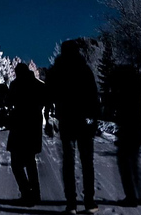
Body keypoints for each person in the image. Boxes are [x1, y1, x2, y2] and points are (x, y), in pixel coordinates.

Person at [46, 39, 101, 214]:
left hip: (67, 121)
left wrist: (50, 117)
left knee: (68, 163)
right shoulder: (85, 69)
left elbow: (49, 96)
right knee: (87, 163)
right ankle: (90, 202)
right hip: (84, 122)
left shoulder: (56, 71)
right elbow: (94, 96)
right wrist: (94, 120)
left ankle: (71, 203)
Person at [4, 62, 48, 206]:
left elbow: (8, 101)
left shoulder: (16, 85)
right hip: (33, 127)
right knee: (30, 162)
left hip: (19, 126)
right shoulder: (39, 84)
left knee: (16, 164)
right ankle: (35, 194)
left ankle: (26, 192)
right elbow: (46, 101)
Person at [105, 63, 141, 207]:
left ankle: (131, 197)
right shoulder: (137, 86)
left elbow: (113, 107)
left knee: (124, 163)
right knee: (135, 163)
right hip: (138, 128)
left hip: (126, 128)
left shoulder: (121, 90)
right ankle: (140, 196)